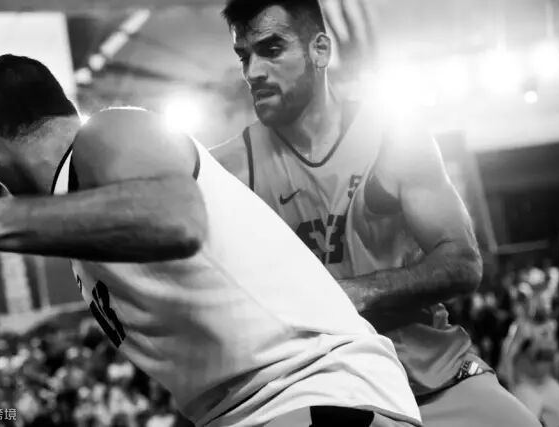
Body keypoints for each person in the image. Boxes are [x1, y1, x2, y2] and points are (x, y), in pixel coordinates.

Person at [0, 54, 421, 426]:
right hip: (263, 408)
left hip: (317, 389)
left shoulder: (108, 133)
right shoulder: (86, 218)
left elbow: (178, 221)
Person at [211, 0, 541, 425]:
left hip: (431, 377)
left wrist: (356, 293)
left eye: (271, 50)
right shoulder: (230, 171)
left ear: (320, 50)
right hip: (319, 388)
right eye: (244, 56)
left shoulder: (393, 139)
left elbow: (463, 262)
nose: (253, 71)